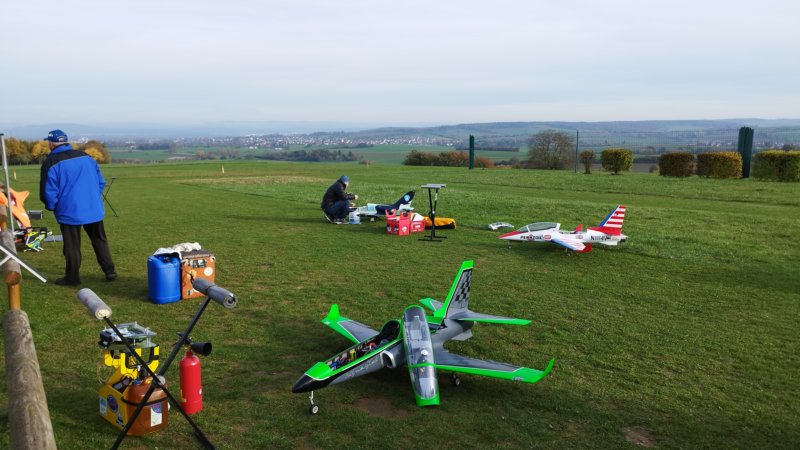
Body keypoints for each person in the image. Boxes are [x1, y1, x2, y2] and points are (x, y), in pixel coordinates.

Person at [39, 129, 116, 286]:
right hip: (93, 208)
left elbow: (48, 192)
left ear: (51, 143)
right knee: (99, 240)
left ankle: (72, 277)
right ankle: (110, 271)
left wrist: (53, 206)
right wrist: (91, 198)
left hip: (69, 211)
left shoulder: (50, 162)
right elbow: (101, 182)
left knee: (72, 246)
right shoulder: (86, 157)